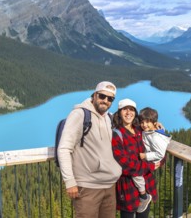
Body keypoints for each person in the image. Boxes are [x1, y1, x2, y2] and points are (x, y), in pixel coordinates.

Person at [58, 81, 122, 218]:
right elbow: (64, 148)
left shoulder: (109, 118)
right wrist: (69, 182)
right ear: (94, 95)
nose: (105, 101)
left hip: (109, 186)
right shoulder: (80, 115)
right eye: (102, 96)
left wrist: (157, 129)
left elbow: (131, 128)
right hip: (87, 187)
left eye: (110, 98)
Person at [112, 99, 161, 217]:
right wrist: (150, 166)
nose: (128, 112)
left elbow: (158, 149)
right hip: (128, 188)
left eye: (131, 109)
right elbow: (125, 165)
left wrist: (158, 128)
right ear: (119, 112)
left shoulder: (141, 129)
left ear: (135, 113)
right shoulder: (115, 135)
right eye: (125, 109)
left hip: (147, 184)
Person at [132, 107, 171, 209]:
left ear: (154, 122)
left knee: (136, 173)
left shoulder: (155, 137)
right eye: (142, 122)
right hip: (149, 159)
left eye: (147, 122)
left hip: (152, 160)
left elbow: (160, 154)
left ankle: (144, 196)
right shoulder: (150, 131)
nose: (144, 125)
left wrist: (145, 156)